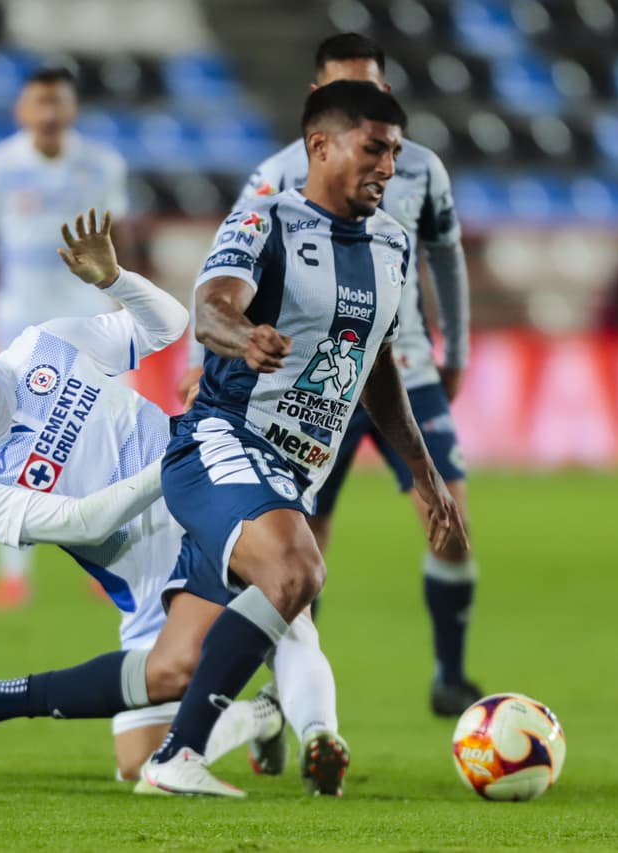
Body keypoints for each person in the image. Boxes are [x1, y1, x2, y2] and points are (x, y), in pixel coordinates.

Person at [0, 210, 342, 790]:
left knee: (289, 605)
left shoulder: (42, 348)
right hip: (145, 574)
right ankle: (260, 715)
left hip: (205, 502)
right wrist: (182, 454)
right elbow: (84, 522)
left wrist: (115, 281)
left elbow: (169, 325)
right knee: (137, 761)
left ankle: (323, 746)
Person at [133, 81, 467, 798]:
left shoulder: (391, 246)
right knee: (298, 572)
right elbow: (211, 307)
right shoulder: (265, 220)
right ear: (320, 146)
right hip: (220, 444)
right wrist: (243, 336)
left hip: (290, 473)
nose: (388, 167)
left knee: (180, 661)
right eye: (373, 148)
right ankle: (178, 756)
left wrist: (426, 472)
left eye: (397, 153)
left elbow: (377, 367)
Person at [180, 33, 485, 716]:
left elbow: (448, 255)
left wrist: (454, 347)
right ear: (321, 103)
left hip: (399, 366)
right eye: (356, 90)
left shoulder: (419, 171)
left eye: (377, 87)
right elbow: (224, 284)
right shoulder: (275, 180)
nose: (385, 155)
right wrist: (213, 356)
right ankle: (277, 694)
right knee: (299, 552)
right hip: (305, 386)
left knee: (452, 519)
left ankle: (450, 672)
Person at [0, 66, 131, 609]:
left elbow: (119, 237)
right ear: (22, 112)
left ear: (71, 111)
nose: (49, 114)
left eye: (58, 104)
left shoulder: (102, 165)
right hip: (18, 319)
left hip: (86, 313)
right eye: (39, 104)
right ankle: (14, 572)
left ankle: (106, 562)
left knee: (98, 434)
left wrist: (128, 299)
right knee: (8, 436)